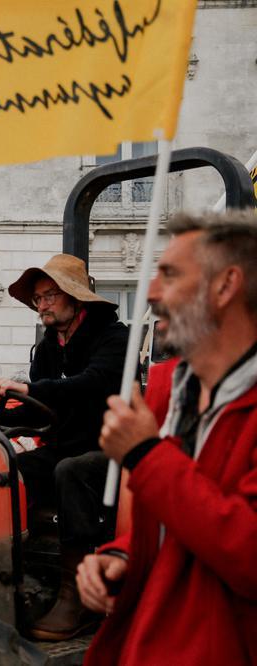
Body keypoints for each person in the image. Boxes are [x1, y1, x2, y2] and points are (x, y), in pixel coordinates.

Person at [78, 211, 257, 665]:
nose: (152, 294)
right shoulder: (176, 388)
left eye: (170, 275)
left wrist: (144, 453)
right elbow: (179, 514)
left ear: (225, 286)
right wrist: (123, 557)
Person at [0, 254, 128, 640]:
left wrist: (28, 390)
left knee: (71, 470)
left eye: (49, 296)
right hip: (66, 443)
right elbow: (43, 407)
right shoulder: (48, 346)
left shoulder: (114, 337)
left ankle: (77, 595)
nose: (41, 305)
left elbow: (92, 383)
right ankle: (10, 575)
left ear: (75, 297)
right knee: (8, 469)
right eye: (38, 299)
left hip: (112, 450)